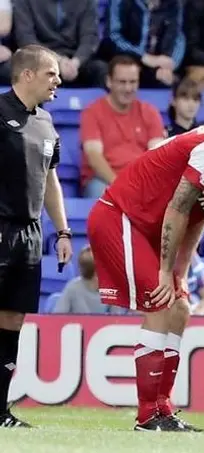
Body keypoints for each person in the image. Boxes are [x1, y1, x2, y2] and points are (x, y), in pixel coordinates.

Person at [87, 118, 204, 432]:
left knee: (180, 308)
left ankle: (163, 408)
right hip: (121, 217)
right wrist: (165, 270)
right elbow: (178, 206)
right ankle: (147, 416)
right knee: (161, 305)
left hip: (145, 226)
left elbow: (197, 216)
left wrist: (179, 271)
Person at [0, 45, 73, 427]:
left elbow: (50, 179)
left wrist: (62, 230)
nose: (58, 80)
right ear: (26, 74)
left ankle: (0, 411)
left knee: (13, 320)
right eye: (51, 73)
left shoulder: (46, 121)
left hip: (29, 233)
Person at [80, 56, 165, 198]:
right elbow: (94, 156)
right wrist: (119, 184)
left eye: (133, 82)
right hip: (105, 180)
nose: (128, 88)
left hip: (141, 181)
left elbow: (157, 155)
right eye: (122, 82)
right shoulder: (93, 112)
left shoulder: (150, 111)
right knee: (100, 193)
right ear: (109, 81)